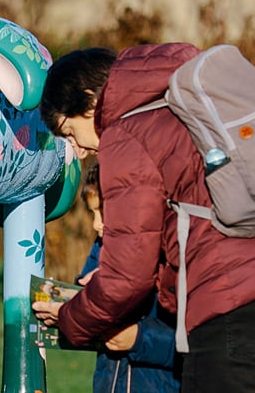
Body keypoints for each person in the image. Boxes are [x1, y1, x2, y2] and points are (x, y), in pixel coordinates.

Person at [32, 45, 255, 392]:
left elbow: (128, 276)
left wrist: (71, 318)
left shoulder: (127, 131)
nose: (77, 151)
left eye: (69, 132)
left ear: (90, 99)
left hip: (234, 308)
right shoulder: (189, 102)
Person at [76, 157, 180, 393]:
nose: (96, 225)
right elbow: (81, 296)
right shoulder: (101, 247)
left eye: (103, 213)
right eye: (92, 213)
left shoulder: (169, 255)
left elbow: (192, 343)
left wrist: (138, 338)